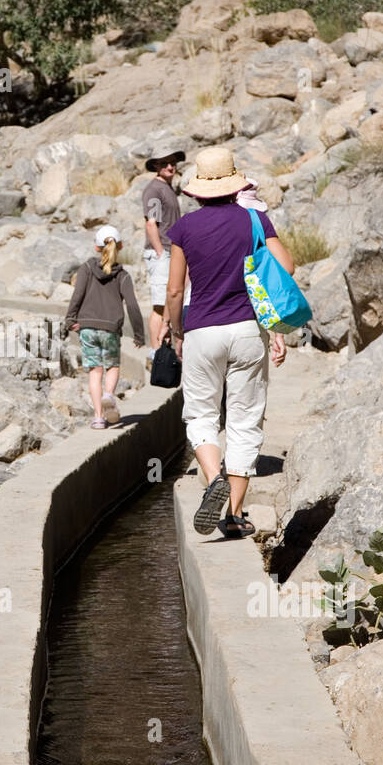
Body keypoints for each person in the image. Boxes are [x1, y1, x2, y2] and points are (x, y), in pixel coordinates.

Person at [162, 146, 292, 538]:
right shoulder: (255, 219)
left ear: (197, 189)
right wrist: (276, 326)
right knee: (244, 420)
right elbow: (285, 266)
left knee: (201, 414)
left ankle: (212, 475)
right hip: (249, 330)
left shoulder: (184, 228)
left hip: (203, 330)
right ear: (235, 184)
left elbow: (173, 290)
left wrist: (177, 331)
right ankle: (233, 515)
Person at [66, 224, 145, 430]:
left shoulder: (86, 268)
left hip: (88, 327)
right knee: (112, 366)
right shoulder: (123, 275)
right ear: (120, 246)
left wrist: (70, 319)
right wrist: (139, 334)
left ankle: (98, 417)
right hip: (110, 328)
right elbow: (133, 305)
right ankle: (109, 394)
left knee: (95, 371)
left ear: (96, 248)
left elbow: (77, 295)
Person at [142, 144, 186, 363]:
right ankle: (156, 351)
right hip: (163, 252)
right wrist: (160, 253)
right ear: (156, 166)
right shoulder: (155, 190)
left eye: (173, 162)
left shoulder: (168, 188)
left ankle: (164, 350)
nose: (170, 166)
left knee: (169, 301)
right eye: (164, 163)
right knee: (160, 305)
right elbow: (152, 224)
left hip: (171, 250)